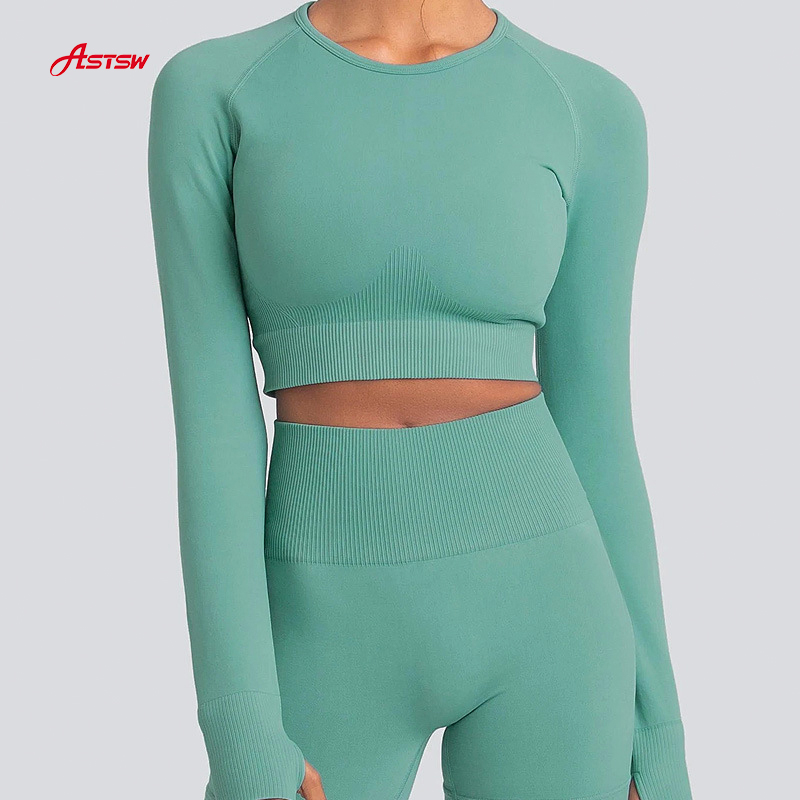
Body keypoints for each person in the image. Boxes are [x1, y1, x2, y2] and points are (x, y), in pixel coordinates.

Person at [146, 2, 693, 799]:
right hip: (322, 617)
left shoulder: (587, 103)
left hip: (555, 617)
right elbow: (213, 427)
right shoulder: (215, 88)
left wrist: (657, 732)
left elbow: (597, 424)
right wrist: (240, 727)